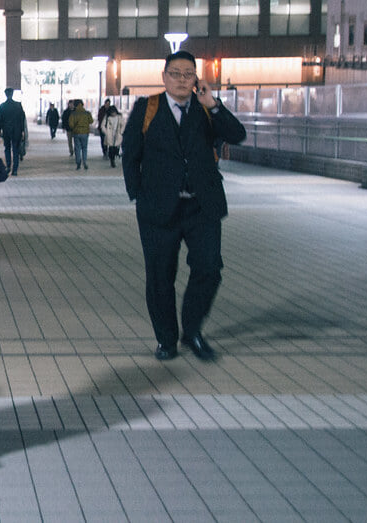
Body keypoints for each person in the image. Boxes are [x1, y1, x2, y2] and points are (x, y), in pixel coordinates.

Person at [121, 50, 246, 363]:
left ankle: (192, 330)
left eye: (188, 74)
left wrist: (214, 105)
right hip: (158, 210)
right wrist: (138, 194)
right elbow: (130, 154)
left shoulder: (205, 110)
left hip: (202, 206)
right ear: (164, 77)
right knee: (160, 276)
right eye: (175, 73)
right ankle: (166, 339)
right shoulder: (146, 108)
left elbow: (238, 135)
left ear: (196, 79)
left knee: (209, 268)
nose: (181, 79)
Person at [0, 87, 26, 176]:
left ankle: (8, 166)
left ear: (5, 95)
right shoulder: (18, 105)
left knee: (7, 148)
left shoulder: (2, 106)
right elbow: (22, 118)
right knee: (15, 149)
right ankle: (15, 169)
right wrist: (22, 130)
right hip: (17, 131)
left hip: (6, 131)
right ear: (12, 94)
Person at [68, 100, 94, 170]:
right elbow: (91, 121)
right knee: (84, 148)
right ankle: (84, 161)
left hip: (76, 133)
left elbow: (70, 124)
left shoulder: (73, 114)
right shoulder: (87, 113)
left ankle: (78, 162)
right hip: (85, 133)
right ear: (82, 104)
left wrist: (74, 128)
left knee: (77, 148)